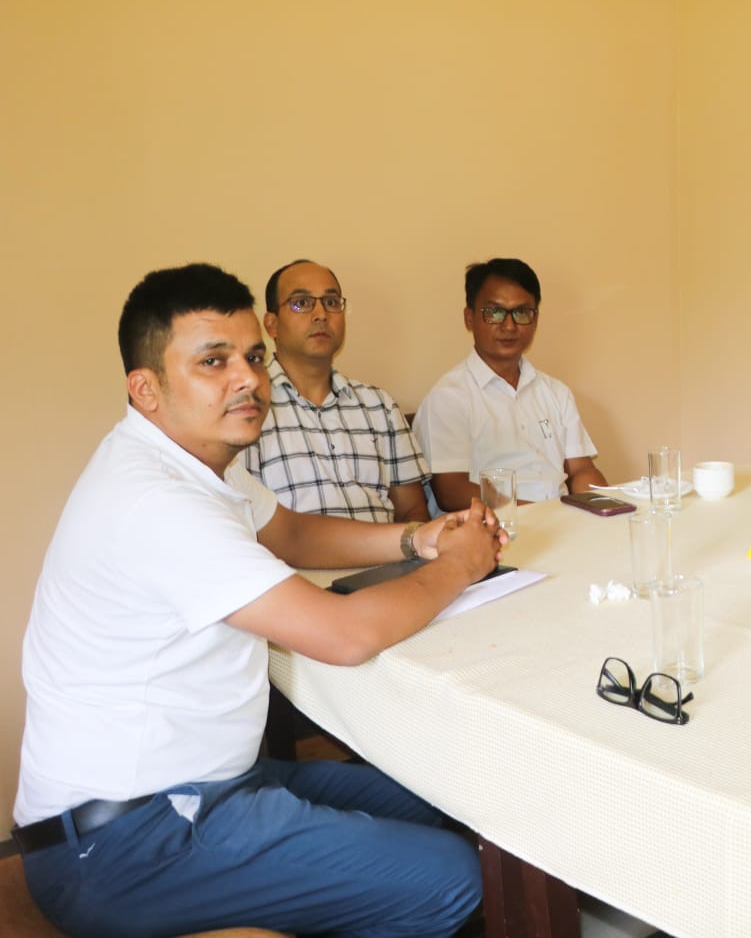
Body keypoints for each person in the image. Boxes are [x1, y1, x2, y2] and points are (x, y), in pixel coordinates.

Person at [13, 264, 502, 938]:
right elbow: (342, 635)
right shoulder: (155, 499)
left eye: (252, 357)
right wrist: (461, 564)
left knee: (450, 799)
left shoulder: (192, 461)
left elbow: (292, 532)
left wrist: (418, 536)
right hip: (125, 841)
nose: (247, 378)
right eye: (213, 362)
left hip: (211, 782)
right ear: (146, 388)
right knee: (451, 876)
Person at [243, 258, 431, 523]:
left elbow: (413, 512)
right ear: (271, 324)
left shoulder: (380, 406)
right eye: (302, 303)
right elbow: (246, 520)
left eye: (331, 302)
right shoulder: (248, 407)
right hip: (294, 551)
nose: (321, 314)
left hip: (387, 548)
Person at [417, 257, 608, 509]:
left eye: (521, 313)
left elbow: (582, 469)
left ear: (535, 319)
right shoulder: (448, 397)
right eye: (494, 312)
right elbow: (451, 491)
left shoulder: (556, 392)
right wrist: (538, 513)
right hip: (494, 525)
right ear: (469, 318)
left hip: (558, 520)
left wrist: (601, 507)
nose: (509, 326)